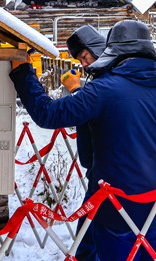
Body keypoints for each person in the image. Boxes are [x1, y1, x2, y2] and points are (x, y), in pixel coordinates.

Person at [10, 20, 156, 261]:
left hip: (114, 209)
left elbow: (48, 113)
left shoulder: (101, 90)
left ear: (112, 52)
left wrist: (22, 70)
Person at [62, 25, 106, 261]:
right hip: (96, 166)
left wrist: (77, 92)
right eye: (81, 59)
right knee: (90, 228)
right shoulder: (100, 80)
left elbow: (86, 114)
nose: (84, 64)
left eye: (85, 57)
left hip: (105, 170)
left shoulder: (107, 83)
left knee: (90, 232)